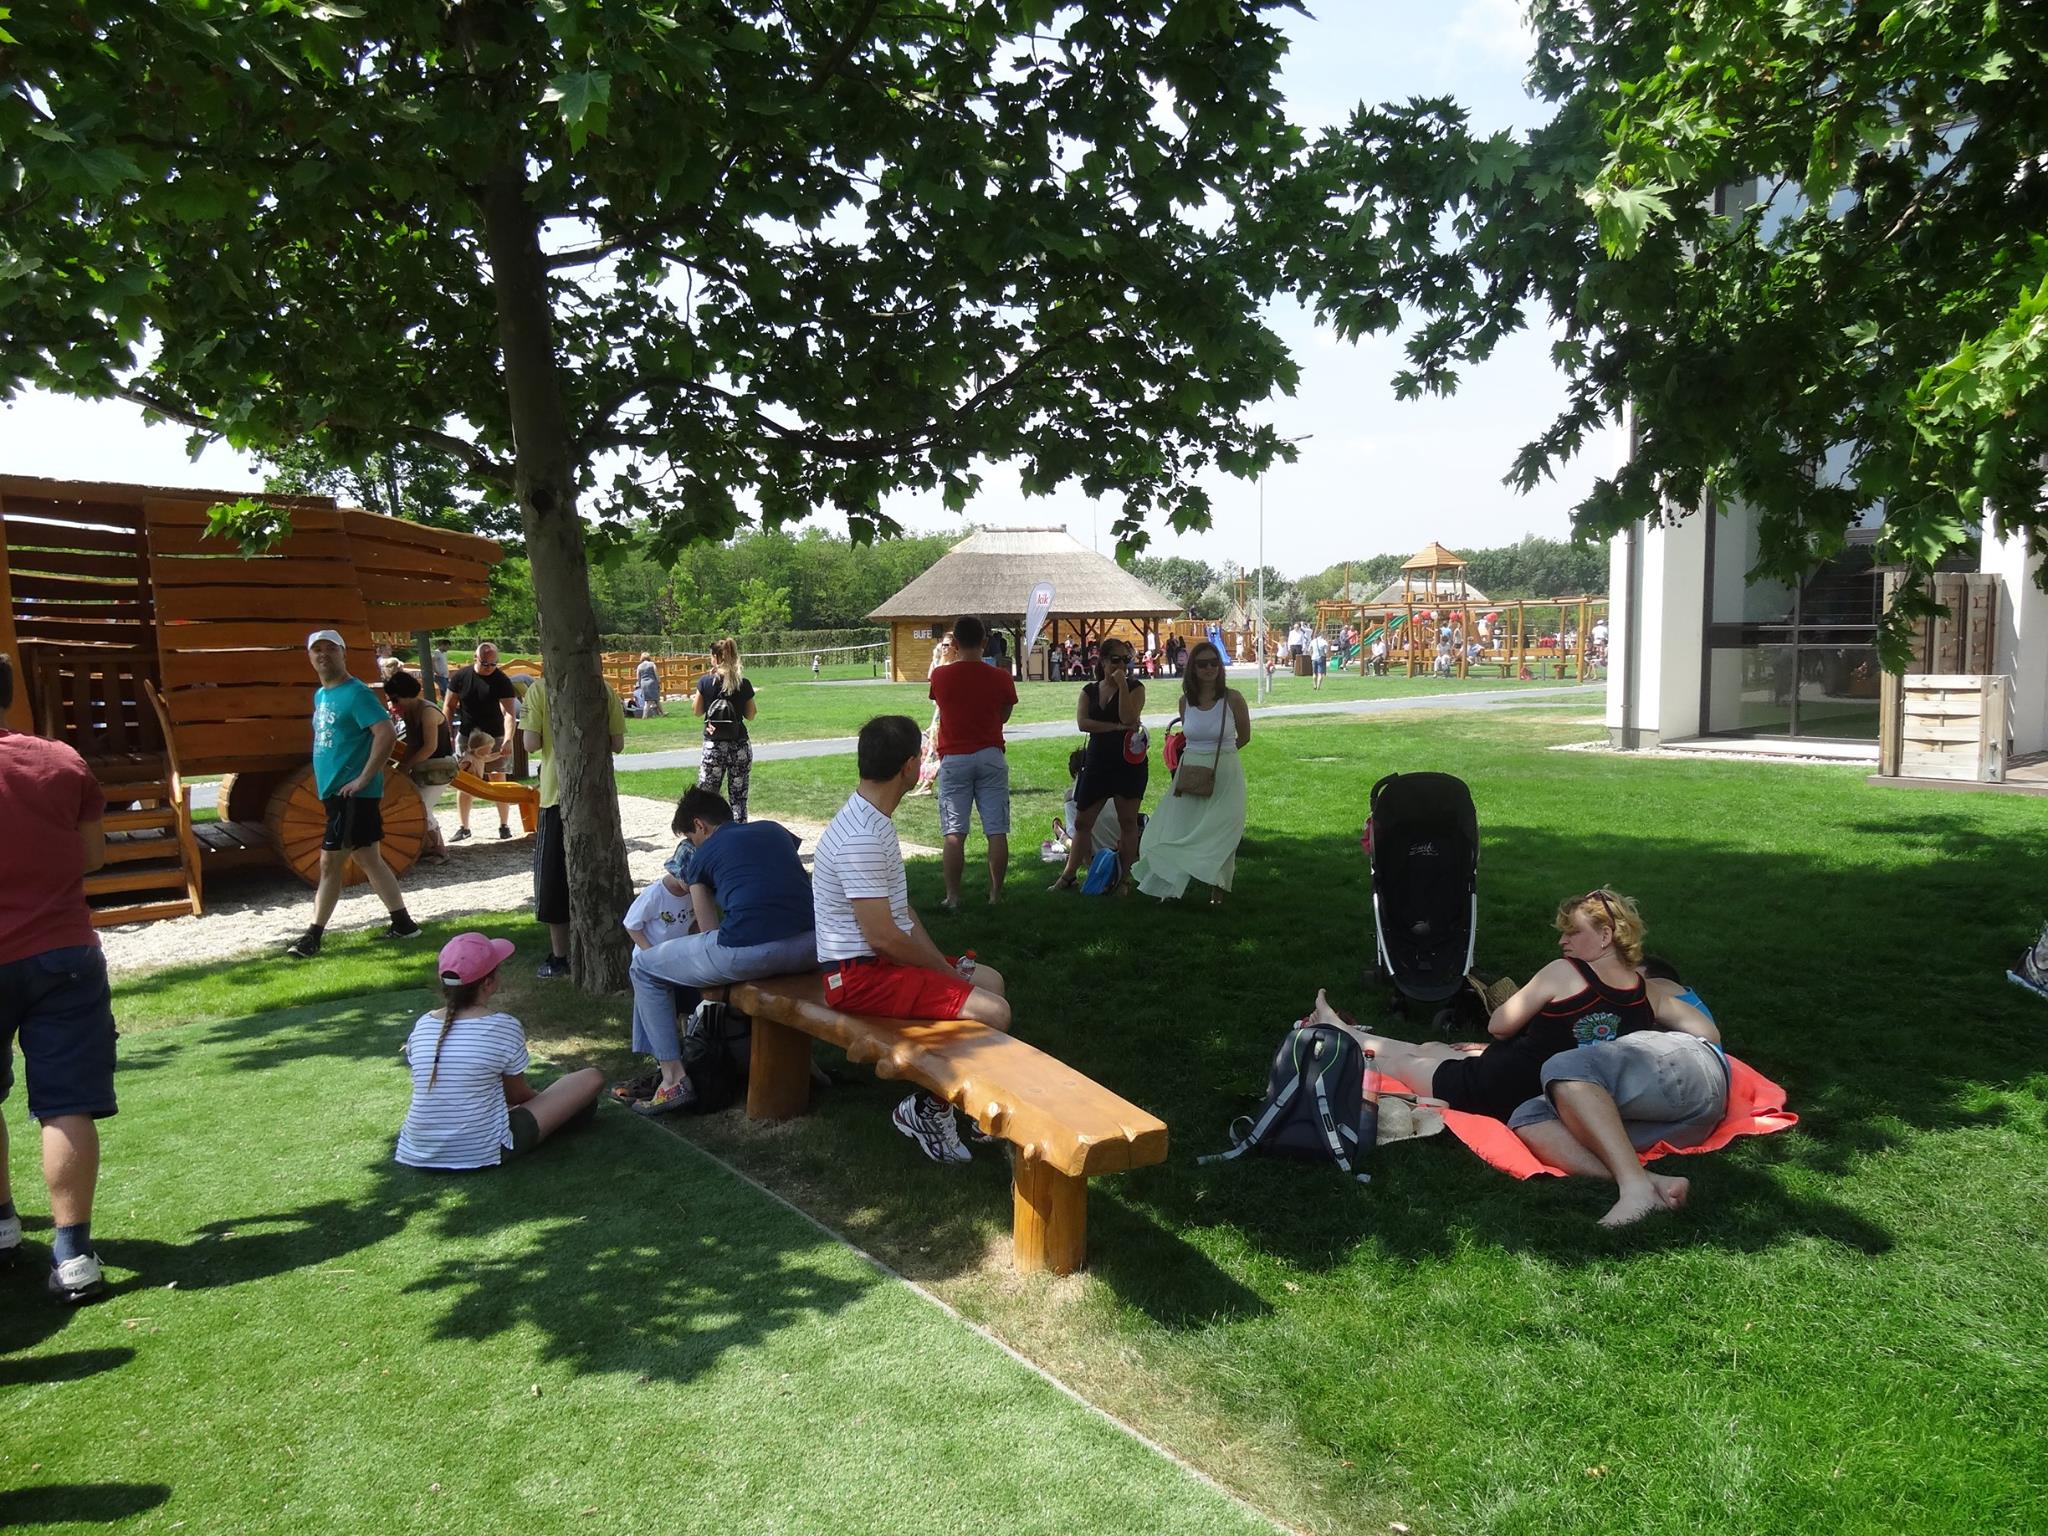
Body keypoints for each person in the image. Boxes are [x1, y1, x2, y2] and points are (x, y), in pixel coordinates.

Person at [1359, 891, 1713, 1140]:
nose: (1563, 941)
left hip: (1498, 1089)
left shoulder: (1563, 972)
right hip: (1556, 1098)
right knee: (1432, 1049)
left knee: (1406, 1061)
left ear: (1605, 935)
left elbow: (1499, 1025)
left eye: (1573, 932)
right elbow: (1707, 1033)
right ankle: (1346, 1029)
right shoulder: (1647, 993)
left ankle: (1342, 1034)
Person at [813, 716, 1010, 1163]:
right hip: (855, 978)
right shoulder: (862, 836)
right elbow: (882, 937)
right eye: (921, 756)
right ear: (908, 767)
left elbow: (903, 914)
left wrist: (940, 964)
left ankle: (969, 1104)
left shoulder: (872, 818)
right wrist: (943, 972)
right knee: (994, 1012)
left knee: (991, 981)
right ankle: (926, 1109)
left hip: (877, 965)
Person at [0, 651, 117, 1303]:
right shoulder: (60, 760)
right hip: (63, 951)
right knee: (65, 1104)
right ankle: (74, 1254)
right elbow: (92, 856)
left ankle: (2, 1228)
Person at [623, 788, 818, 1114]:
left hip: (753, 951)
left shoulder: (701, 856)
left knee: (643, 967)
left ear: (699, 825)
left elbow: (709, 931)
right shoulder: (774, 830)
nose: (693, 844)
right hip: (811, 946)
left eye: (691, 837)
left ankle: (671, 1079)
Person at [1502, 957, 1729, 1226]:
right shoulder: (1621, 1035)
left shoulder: (1661, 987)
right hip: (1680, 1118)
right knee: (1529, 1117)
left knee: (1564, 1066)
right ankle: (1649, 1183)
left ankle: (1635, 1190)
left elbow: (1709, 1034)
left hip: (1689, 1067)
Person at [394, 933, 605, 1170]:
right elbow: (517, 1096)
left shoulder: (424, 1023)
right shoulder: (503, 1025)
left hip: (417, 1149)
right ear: (488, 983)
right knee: (591, 1078)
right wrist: (552, 1104)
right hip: (483, 1149)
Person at [286, 630, 420, 959]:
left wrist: (363, 779)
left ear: (343, 653)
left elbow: (385, 733)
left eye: (330, 649)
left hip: (352, 795)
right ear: (309, 656)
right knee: (368, 858)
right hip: (335, 793)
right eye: (316, 649)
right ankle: (404, 924)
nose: (323, 654)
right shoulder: (322, 695)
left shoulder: (357, 693)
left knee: (329, 863)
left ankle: (312, 937)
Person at [521, 671, 627, 979]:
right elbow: (617, 743)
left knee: (553, 878)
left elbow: (530, 743)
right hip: (597, 794)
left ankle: (561, 957)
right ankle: (609, 944)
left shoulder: (538, 690)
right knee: (601, 870)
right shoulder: (604, 688)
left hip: (557, 794)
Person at [1132, 639, 1250, 906]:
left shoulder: (1233, 699)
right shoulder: (1185, 702)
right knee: (1177, 826)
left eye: (1214, 663)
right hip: (1191, 769)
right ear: (1193, 668)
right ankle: (1167, 882)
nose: (1209, 669)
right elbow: (1189, 735)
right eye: (1202, 664)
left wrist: (1221, 757)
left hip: (1225, 770)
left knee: (1221, 830)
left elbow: (1244, 737)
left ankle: (1217, 888)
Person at [928, 616, 1018, 910]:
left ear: (954, 643)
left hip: (955, 757)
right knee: (996, 829)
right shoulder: (1001, 677)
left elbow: (941, 705)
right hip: (991, 754)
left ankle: (952, 896)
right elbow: (1004, 715)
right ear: (984, 641)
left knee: (954, 832)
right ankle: (995, 895)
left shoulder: (941, 676)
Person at [1050, 638, 1148, 892]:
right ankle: (1069, 876)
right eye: (1116, 660)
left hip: (1127, 762)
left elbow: (1129, 717)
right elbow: (1083, 723)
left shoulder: (1136, 688)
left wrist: (1122, 686)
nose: (1121, 665)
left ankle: (1123, 879)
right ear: (1103, 661)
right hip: (1097, 761)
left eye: (1126, 660)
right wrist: (1116, 727)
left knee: (1128, 822)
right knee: (1083, 822)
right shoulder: (1089, 691)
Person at [445, 641, 517, 841]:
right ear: (475, 658)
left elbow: (509, 713)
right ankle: (464, 827)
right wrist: (446, 732)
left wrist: (508, 739)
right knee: (465, 780)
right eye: (485, 664)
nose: (489, 668)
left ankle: (504, 825)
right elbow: (449, 706)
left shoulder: (502, 680)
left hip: (494, 736)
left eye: (494, 664)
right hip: (468, 736)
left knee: (497, 778)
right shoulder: (461, 677)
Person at [384, 668, 454, 865]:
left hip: (439, 769)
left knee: (421, 806)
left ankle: (440, 850)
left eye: (395, 699)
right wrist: (401, 768)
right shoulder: (410, 712)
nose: (393, 704)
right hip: (424, 769)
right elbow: (413, 745)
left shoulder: (427, 712)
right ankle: (427, 846)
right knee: (413, 804)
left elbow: (429, 747)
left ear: (407, 695)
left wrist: (405, 767)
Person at [695, 636, 757, 822]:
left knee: (706, 798)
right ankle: (738, 832)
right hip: (739, 746)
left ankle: (707, 833)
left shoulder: (706, 682)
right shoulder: (742, 683)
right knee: (738, 799)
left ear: (716, 657)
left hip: (714, 746)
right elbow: (751, 714)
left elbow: (697, 711)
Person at [635, 652, 663, 717]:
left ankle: (663, 713)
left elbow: (638, 678)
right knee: (648, 701)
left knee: (656, 699)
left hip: (643, 684)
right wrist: (659, 681)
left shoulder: (639, 666)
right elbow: (656, 674)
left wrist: (640, 686)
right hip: (652, 683)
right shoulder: (652, 664)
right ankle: (644, 715)